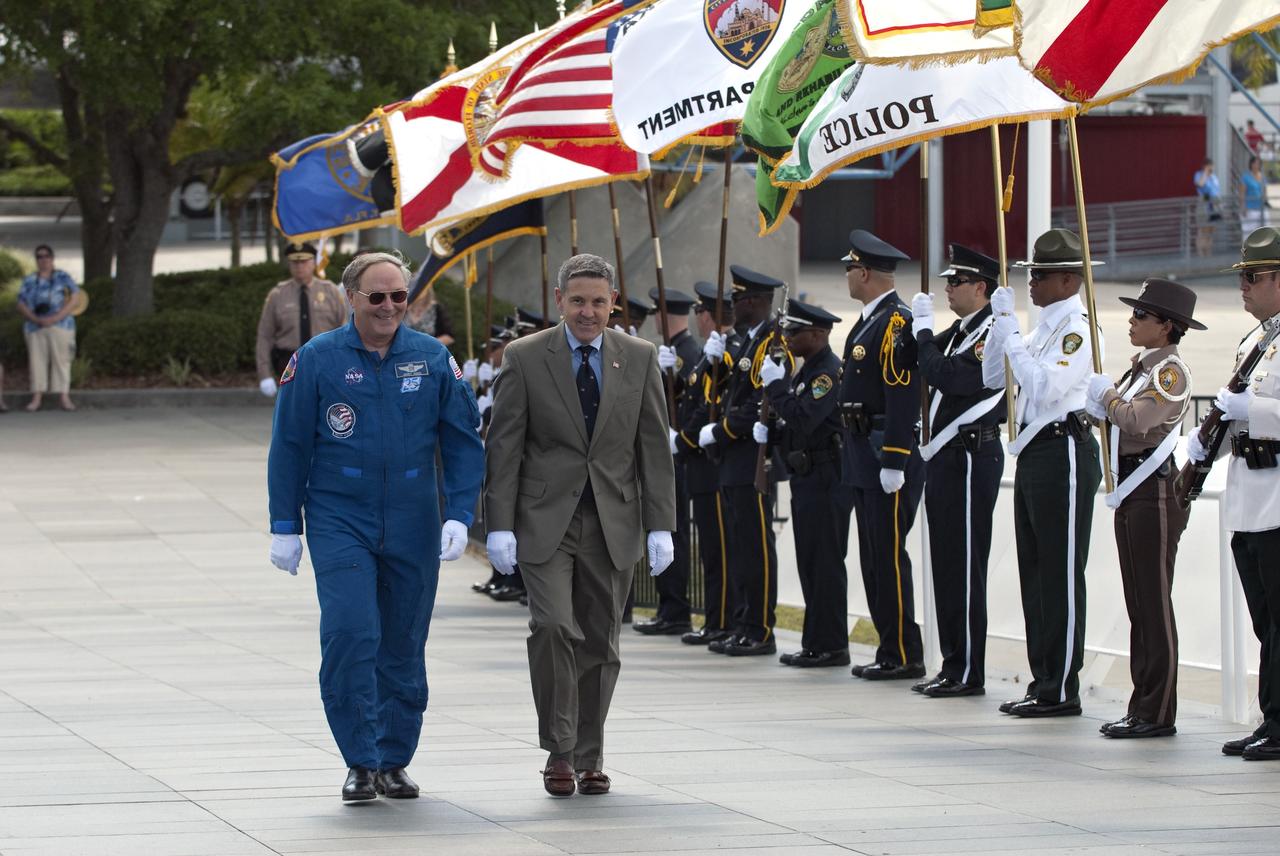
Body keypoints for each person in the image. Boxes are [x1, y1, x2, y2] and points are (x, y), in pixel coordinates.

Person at [266, 251, 484, 801]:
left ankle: (393, 758)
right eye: (377, 296)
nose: (389, 307)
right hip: (341, 513)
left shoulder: (434, 359)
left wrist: (460, 511)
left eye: (399, 296)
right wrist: (284, 523)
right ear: (351, 299)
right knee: (351, 632)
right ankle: (359, 759)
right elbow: (289, 444)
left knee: (403, 642)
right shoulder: (316, 359)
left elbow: (463, 441)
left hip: (413, 515)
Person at [483, 253, 676, 797]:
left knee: (601, 641)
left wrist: (661, 524)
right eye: (577, 301)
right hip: (546, 520)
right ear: (558, 301)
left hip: (613, 518)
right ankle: (559, 750)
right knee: (551, 627)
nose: (588, 313)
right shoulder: (524, 356)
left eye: (598, 301)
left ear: (613, 302)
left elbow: (652, 448)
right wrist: (499, 525)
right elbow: (505, 447)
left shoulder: (638, 357)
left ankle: (590, 755)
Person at [982, 228, 1104, 718]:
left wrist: (1013, 337)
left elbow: (1047, 387)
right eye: (1033, 273)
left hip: (1065, 452)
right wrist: (1000, 327)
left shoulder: (1078, 329)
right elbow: (993, 377)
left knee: (1060, 571)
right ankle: (1043, 678)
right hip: (1035, 454)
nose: (1033, 282)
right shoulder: (1041, 329)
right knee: (1034, 571)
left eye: (1044, 275)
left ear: (1071, 280)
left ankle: (1062, 685)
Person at [1085, 278, 1202, 738]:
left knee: (1153, 603)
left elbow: (1135, 419)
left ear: (1167, 327)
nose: (1131, 322)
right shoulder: (1140, 369)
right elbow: (1113, 419)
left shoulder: (1169, 372)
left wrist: (1107, 397)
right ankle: (1142, 705)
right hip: (1133, 489)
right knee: (1138, 602)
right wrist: (1102, 400)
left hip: (1153, 490)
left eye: (1141, 316)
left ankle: (1157, 712)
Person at [1188, 226, 1280, 760]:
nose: (1243, 286)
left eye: (1254, 277)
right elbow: (1231, 418)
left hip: (1278, 497)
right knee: (1264, 620)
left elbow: (1257, 412)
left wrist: (1259, 412)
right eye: (1242, 276)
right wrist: (1204, 450)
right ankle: (1271, 717)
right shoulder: (1254, 341)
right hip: (1249, 494)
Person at [910, 244, 1005, 697]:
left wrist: (923, 336)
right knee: (947, 563)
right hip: (947, 459)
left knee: (966, 565)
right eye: (947, 280)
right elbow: (925, 366)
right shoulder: (959, 331)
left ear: (981, 288)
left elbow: (952, 377)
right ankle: (953, 664)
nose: (948, 288)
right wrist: (927, 339)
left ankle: (968, 670)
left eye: (957, 281)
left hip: (971, 456)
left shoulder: (991, 334)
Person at [838, 230, 925, 681]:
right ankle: (888, 646)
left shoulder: (895, 323)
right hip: (862, 454)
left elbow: (902, 393)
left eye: (850, 268)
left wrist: (895, 457)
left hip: (882, 455)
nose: (847, 276)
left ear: (865, 272)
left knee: (889, 555)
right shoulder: (870, 320)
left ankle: (904, 652)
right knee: (873, 555)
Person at [698, 265, 791, 657]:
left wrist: (719, 432)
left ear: (756, 301)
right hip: (732, 461)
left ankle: (760, 629)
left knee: (756, 547)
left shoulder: (773, 345)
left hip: (753, 460)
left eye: (737, 300)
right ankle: (741, 622)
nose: (732, 308)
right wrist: (709, 364)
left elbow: (758, 405)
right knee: (738, 547)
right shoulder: (745, 343)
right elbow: (724, 394)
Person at [753, 299, 852, 667]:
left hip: (827, 477)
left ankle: (831, 645)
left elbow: (806, 418)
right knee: (810, 561)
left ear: (818, 334)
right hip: (807, 476)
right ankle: (815, 641)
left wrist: (777, 389)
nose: (789, 338)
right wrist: (774, 432)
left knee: (825, 561)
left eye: (796, 333)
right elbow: (796, 425)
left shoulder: (826, 373)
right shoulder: (807, 370)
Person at [675, 281, 739, 646]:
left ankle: (723, 620)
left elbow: (712, 407)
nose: (697, 320)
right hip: (700, 467)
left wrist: (682, 441)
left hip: (711, 465)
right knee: (712, 552)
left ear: (707, 315)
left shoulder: (724, 352)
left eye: (701, 312)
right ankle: (716, 619)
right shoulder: (707, 353)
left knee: (720, 551)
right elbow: (695, 401)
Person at [636, 286, 700, 637]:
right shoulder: (669, 353)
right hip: (664, 454)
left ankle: (676, 609)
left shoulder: (687, 353)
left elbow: (689, 403)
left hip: (679, 457)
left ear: (665, 315)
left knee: (671, 531)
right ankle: (667, 606)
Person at [256, 242, 347, 398]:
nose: (299, 266)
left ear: (313, 263)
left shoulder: (330, 291)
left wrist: (346, 366)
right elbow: (265, 336)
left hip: (326, 361)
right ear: (289, 265)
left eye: (304, 261)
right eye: (295, 262)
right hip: (289, 363)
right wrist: (264, 374)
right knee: (293, 415)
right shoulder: (277, 295)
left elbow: (345, 331)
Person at [16, 244, 79, 412]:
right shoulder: (29, 280)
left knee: (62, 360)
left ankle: (64, 396)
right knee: (37, 361)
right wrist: (34, 318)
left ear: (52, 258)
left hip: (61, 324)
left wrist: (57, 317)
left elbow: (75, 298)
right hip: (35, 326)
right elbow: (20, 303)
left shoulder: (62, 277)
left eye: (46, 256)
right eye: (39, 257)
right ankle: (37, 397)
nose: (43, 260)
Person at [1194, 158, 1222, 258]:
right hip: (1204, 204)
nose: (1211, 168)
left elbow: (1217, 191)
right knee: (1203, 230)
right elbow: (1200, 184)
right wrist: (1205, 173)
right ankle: (1201, 254)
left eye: (1211, 166)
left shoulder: (1214, 177)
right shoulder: (1199, 174)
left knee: (1211, 230)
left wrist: (1220, 207)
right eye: (1208, 166)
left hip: (1214, 205)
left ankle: (1208, 253)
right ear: (1204, 166)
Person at [1241, 155, 1269, 234]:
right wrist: (1243, 207)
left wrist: (1265, 200)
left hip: (1262, 208)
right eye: (1255, 163)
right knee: (1249, 233)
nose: (1257, 165)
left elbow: (1264, 191)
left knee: (1265, 231)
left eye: (1258, 164)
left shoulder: (1263, 176)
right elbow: (1242, 193)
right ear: (1251, 164)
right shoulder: (1245, 177)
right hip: (1250, 209)